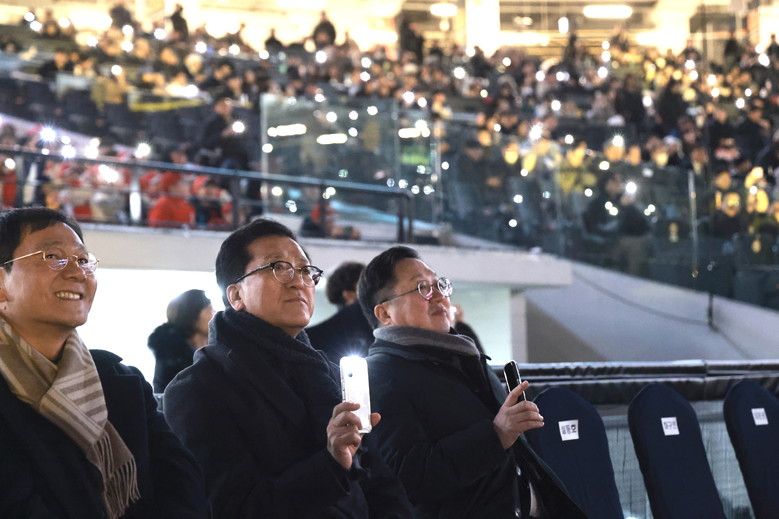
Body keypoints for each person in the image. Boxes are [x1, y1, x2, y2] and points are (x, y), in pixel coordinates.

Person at [163, 218, 413, 518]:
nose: (298, 281)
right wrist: (331, 463)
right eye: (278, 267)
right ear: (236, 295)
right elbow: (232, 508)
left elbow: (381, 485)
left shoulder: (328, 373)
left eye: (306, 270)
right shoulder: (199, 387)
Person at [0, 207, 207, 518]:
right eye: (52, 256)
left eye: (83, 260)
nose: (77, 272)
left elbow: (183, 480)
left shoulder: (121, 380)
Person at [357, 245, 587, 519]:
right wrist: (496, 435)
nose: (439, 296)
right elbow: (408, 476)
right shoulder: (380, 374)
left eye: (439, 285)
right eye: (422, 288)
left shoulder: (462, 356)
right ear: (385, 314)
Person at [147, 289, 214, 393]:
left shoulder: (216, 349)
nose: (214, 314)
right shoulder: (172, 360)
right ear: (192, 316)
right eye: (209, 309)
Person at [306, 261, 374, 363]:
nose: (372, 293)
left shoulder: (318, 337)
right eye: (365, 287)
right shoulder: (362, 316)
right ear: (348, 294)